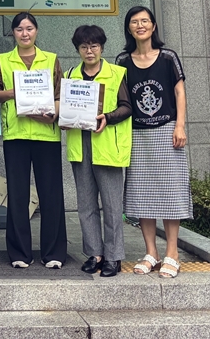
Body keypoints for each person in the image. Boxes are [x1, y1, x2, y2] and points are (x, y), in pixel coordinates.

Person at [116, 5, 192, 279]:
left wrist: (180, 125)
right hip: (136, 133)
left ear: (153, 26)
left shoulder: (168, 57)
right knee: (141, 193)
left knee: (171, 191)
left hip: (167, 130)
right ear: (129, 28)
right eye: (134, 22)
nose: (140, 25)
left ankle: (172, 253)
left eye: (145, 21)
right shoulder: (122, 60)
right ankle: (151, 252)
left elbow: (179, 92)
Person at [0, 12, 68, 269]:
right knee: (17, 195)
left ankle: (54, 252)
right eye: (19, 29)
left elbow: (59, 94)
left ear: (36, 31)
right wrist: (13, 93)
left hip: (47, 134)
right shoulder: (1, 61)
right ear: (12, 33)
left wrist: (53, 113)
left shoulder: (51, 59)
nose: (24, 33)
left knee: (51, 195)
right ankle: (19, 253)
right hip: (16, 134)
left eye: (29, 28)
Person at [64, 25, 132, 278]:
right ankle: (95, 254)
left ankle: (113, 256)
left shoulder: (116, 73)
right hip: (80, 145)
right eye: (84, 46)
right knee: (86, 204)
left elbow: (127, 107)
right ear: (78, 49)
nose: (89, 51)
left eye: (94, 46)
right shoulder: (70, 75)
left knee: (112, 206)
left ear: (102, 47)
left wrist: (108, 117)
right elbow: (65, 107)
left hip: (107, 145)